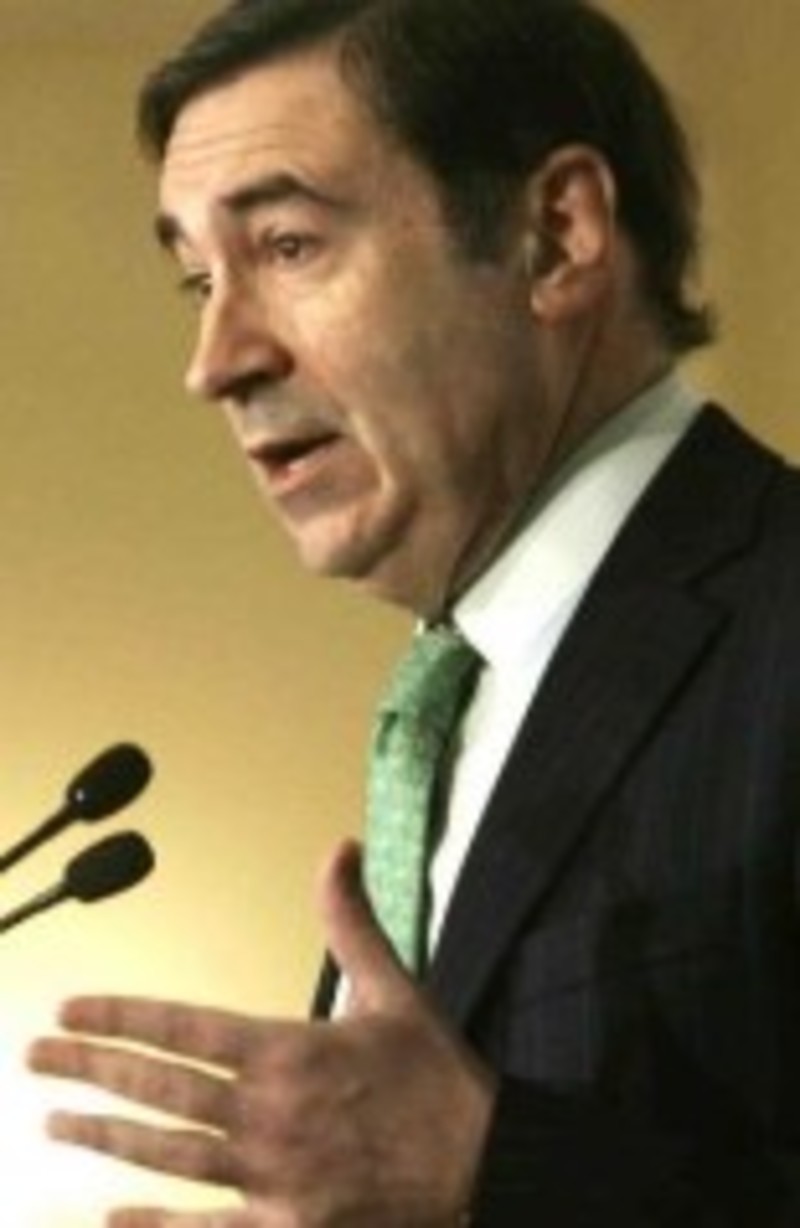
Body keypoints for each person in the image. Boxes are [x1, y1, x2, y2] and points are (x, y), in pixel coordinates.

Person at [27, 0, 800, 1224]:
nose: (214, 360)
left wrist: (488, 1166)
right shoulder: (461, 686)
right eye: (198, 280)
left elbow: (471, 1163)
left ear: (554, 237)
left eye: (287, 246)